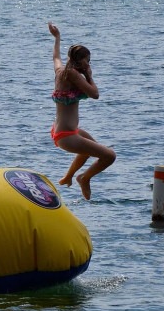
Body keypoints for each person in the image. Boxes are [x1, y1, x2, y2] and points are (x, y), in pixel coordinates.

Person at [48, 22, 115, 200]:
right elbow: (94, 94)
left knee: (91, 149)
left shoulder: (61, 72)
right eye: (87, 60)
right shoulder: (74, 75)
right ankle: (83, 178)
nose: (88, 63)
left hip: (64, 131)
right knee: (109, 156)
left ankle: (68, 177)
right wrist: (90, 75)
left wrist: (57, 38)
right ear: (79, 60)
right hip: (67, 136)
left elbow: (56, 58)